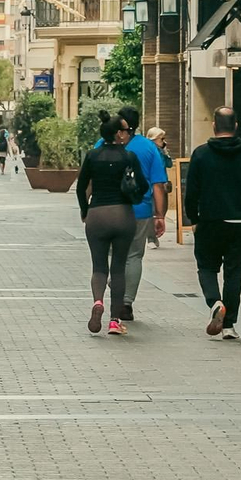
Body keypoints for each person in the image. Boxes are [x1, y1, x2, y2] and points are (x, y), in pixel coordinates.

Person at [184, 107, 241, 340]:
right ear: (236, 126)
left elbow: (192, 192)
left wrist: (193, 218)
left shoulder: (201, 154)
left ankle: (215, 302)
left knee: (207, 267)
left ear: (214, 125)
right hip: (240, 221)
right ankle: (229, 325)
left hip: (210, 220)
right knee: (234, 273)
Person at [89, 106, 168, 320]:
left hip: (106, 210)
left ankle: (111, 293)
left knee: (110, 256)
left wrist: (88, 206)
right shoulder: (149, 148)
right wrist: (159, 215)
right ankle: (126, 302)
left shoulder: (101, 145)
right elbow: (159, 185)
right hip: (140, 211)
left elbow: (90, 178)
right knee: (133, 256)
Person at [76, 112, 140, 335]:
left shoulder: (92, 156)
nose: (127, 134)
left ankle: (97, 302)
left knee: (99, 266)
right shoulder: (129, 156)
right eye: (124, 130)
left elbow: (80, 187)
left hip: (97, 214)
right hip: (123, 214)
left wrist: (85, 211)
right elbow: (141, 186)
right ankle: (114, 320)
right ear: (118, 134)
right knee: (119, 267)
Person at [146, 127, 171, 248]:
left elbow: (169, 164)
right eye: (161, 139)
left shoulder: (161, 152)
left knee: (162, 208)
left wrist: (166, 152)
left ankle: (154, 234)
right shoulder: (150, 151)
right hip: (153, 184)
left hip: (162, 183)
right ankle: (151, 237)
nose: (163, 141)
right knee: (153, 210)